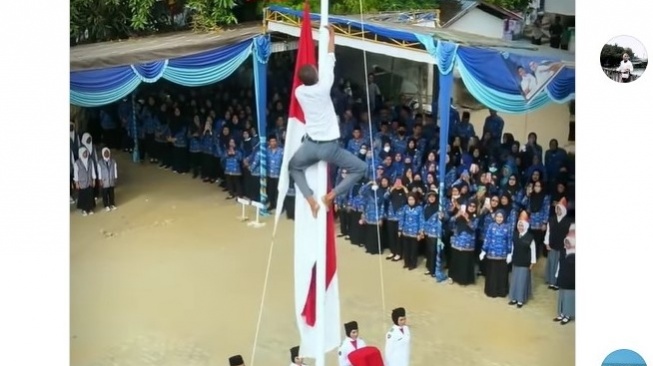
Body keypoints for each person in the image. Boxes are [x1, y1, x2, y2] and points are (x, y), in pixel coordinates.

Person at [288, 24, 368, 218]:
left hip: (310, 145)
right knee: (361, 168)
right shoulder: (324, 87)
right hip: (329, 147)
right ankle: (331, 195)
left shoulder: (299, 92)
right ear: (316, 75)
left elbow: (307, 78)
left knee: (293, 167)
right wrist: (332, 35)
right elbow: (329, 59)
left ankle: (310, 200)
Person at [480, 210, 512, 298]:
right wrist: (483, 250)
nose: (499, 219)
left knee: (501, 274)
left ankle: (501, 291)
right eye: (497, 217)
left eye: (501, 217)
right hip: (491, 254)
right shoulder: (491, 226)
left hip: (503, 255)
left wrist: (509, 253)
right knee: (492, 274)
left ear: (504, 218)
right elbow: (487, 238)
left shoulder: (507, 227)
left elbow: (509, 240)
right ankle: (491, 291)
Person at [507, 212, 536, 308]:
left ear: (526, 225)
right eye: (519, 225)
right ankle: (514, 298)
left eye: (522, 225)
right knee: (514, 280)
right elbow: (512, 247)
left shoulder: (530, 237)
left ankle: (520, 300)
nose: (520, 227)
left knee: (522, 281)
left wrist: (532, 262)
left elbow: (533, 250)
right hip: (516, 261)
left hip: (525, 263)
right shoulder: (515, 235)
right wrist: (510, 256)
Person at [544, 198, 572, 290]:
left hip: (562, 247)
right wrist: (547, 243)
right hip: (552, 245)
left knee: (560, 265)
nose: (558, 211)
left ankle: (558, 282)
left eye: (560, 209)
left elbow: (570, 235)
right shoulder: (551, 219)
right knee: (552, 263)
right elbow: (548, 232)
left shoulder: (568, 221)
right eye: (557, 209)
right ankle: (551, 281)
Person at [554, 224, 575, 325]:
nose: (567, 244)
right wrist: (557, 274)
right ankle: (561, 313)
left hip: (571, 280)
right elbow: (559, 264)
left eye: (569, 242)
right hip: (562, 277)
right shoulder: (563, 252)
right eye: (566, 242)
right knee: (562, 296)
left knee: (569, 297)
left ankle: (567, 315)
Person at [73, 147, 97, 216]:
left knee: (90, 195)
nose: (85, 154)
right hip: (82, 182)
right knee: (83, 196)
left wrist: (94, 180)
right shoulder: (77, 163)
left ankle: (90, 209)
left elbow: (93, 171)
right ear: (80, 153)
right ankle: (84, 210)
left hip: (89, 181)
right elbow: (76, 174)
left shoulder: (90, 161)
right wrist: (77, 183)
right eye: (84, 153)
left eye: (86, 152)